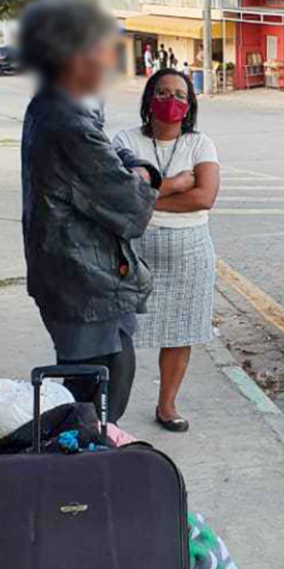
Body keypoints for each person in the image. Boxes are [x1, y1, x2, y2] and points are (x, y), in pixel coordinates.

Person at [19, 0, 161, 422]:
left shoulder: (62, 105)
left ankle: (86, 460)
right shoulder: (67, 119)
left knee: (98, 377)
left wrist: (131, 167)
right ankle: (86, 468)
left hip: (77, 274)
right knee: (97, 389)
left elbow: (118, 158)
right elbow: (127, 201)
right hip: (84, 278)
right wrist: (141, 176)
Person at [113, 69, 221, 432]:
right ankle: (108, 410)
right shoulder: (124, 141)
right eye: (162, 93)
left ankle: (167, 405)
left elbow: (205, 196)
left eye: (179, 95)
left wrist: (147, 200)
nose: (171, 101)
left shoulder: (200, 144)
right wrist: (176, 185)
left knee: (180, 332)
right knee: (119, 331)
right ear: (148, 98)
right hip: (133, 252)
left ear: (189, 104)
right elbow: (118, 193)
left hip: (190, 255)